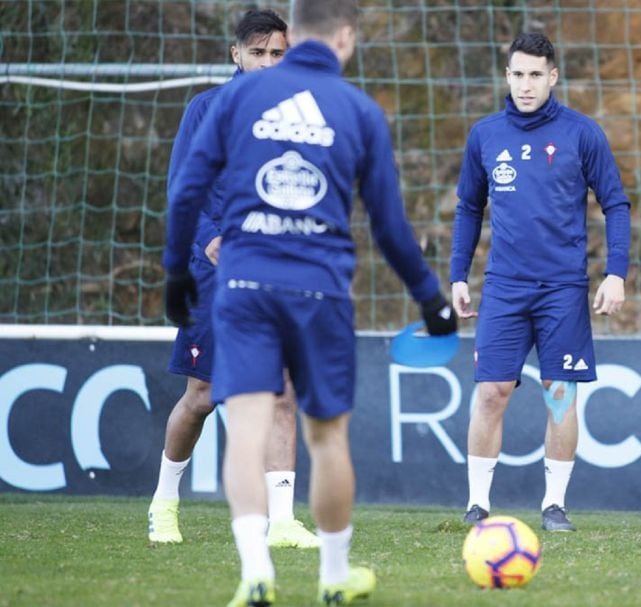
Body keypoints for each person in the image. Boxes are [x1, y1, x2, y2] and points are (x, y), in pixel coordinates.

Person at [162, 0, 457, 604]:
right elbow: (390, 228)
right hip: (318, 289)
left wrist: (174, 273)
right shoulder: (358, 109)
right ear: (344, 39)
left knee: (243, 428)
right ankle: (332, 577)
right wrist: (430, 299)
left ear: (294, 38)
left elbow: (187, 188)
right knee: (326, 438)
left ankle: (255, 573)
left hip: (243, 286)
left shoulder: (238, 101)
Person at [149, 8, 320, 551]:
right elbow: (184, 189)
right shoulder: (207, 110)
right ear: (236, 55)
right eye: (258, 53)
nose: (268, 64)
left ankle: (284, 520)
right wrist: (209, 240)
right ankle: (164, 503)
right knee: (200, 396)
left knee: (284, 393)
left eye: (278, 54)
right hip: (215, 275)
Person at [450, 32, 632, 533]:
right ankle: (478, 506)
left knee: (559, 394)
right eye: (517, 74)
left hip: (563, 288)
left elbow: (615, 203)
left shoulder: (582, 133)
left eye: (536, 75)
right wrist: (457, 276)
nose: (526, 84)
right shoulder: (485, 135)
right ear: (506, 76)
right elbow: (469, 207)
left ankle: (554, 506)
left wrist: (616, 272)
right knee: (491, 391)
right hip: (504, 286)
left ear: (553, 76)